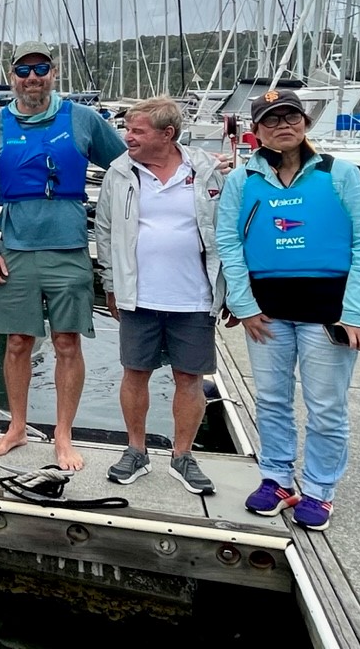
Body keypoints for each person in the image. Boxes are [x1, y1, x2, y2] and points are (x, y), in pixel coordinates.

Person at [216, 87, 360, 531]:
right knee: (271, 399)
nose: (283, 126)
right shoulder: (242, 180)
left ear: (305, 123)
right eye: (271, 120)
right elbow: (229, 243)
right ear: (257, 132)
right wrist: (244, 305)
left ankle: (320, 490)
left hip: (328, 311)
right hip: (267, 311)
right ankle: (276, 478)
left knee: (325, 405)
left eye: (291, 117)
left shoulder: (340, 173)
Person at [0, 41, 126, 471]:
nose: (32, 77)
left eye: (40, 69)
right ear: (12, 76)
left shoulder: (82, 119)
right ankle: (16, 427)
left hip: (70, 248)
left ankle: (62, 434)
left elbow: (130, 165)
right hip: (15, 252)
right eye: (24, 70)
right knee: (17, 342)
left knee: (66, 343)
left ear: (53, 73)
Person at [94, 97, 227, 494]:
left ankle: (182, 456)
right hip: (139, 294)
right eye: (128, 129)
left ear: (167, 134)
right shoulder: (119, 173)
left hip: (195, 296)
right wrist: (111, 284)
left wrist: (233, 291)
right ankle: (135, 450)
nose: (127, 137)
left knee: (190, 377)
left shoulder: (206, 171)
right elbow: (105, 231)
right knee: (135, 373)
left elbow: (228, 229)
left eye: (137, 131)